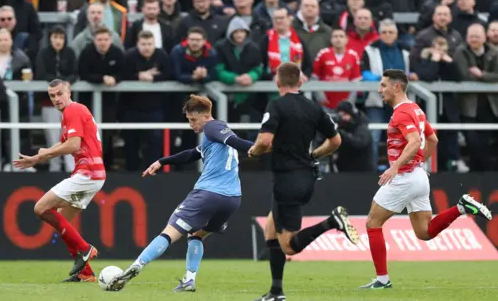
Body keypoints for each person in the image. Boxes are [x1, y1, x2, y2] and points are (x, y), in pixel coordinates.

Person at [359, 69, 493, 290]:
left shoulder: (401, 113)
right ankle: (461, 207)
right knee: (425, 232)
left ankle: (382, 280)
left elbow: (413, 142)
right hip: (418, 176)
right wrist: (420, 163)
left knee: (373, 223)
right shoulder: (416, 109)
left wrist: (396, 167)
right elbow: (432, 139)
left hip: (403, 178)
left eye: (383, 85)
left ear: (396, 87)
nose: (379, 89)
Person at [106, 95, 254, 292]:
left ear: (207, 115)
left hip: (207, 193)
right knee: (196, 235)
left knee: (169, 233)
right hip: (232, 199)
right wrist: (162, 161)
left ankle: (135, 266)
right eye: (189, 120)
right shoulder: (214, 138)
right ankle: (189, 280)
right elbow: (192, 154)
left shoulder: (213, 127)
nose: (191, 125)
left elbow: (235, 141)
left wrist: (255, 147)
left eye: (193, 120)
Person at [247, 63, 359, 301]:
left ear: (278, 82)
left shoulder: (276, 105)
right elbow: (336, 141)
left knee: (288, 246)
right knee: (270, 229)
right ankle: (276, 292)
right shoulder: (313, 107)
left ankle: (332, 222)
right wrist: (314, 155)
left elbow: (265, 141)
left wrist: (253, 152)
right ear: (300, 82)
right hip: (306, 176)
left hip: (286, 180)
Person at [12, 79, 105, 282]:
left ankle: (85, 248)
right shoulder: (73, 112)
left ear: (68, 91)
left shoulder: (73, 110)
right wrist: (38, 158)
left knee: (41, 208)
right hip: (94, 173)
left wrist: (45, 155)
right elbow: (65, 142)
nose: (56, 99)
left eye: (59, 93)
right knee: (63, 218)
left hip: (87, 172)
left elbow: (72, 145)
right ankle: (85, 274)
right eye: (52, 96)